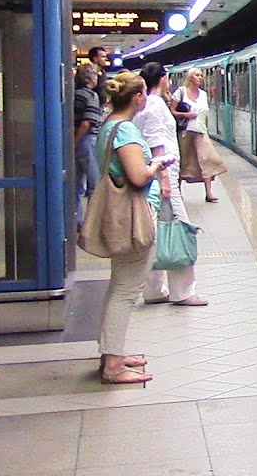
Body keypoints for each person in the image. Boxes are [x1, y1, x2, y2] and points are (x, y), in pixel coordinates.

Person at [95, 71, 174, 384]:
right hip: (134, 217)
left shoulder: (109, 125)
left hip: (124, 216)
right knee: (127, 290)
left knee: (119, 285)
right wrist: (156, 165)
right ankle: (113, 365)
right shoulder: (125, 130)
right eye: (143, 94)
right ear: (137, 96)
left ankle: (110, 353)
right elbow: (139, 176)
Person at [135, 63, 207, 307]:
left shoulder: (145, 104)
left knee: (158, 232)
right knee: (179, 229)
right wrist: (166, 182)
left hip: (154, 176)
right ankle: (184, 291)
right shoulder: (155, 105)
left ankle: (154, 290)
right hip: (163, 175)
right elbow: (158, 144)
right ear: (163, 79)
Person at [173, 67, 227, 201]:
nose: (200, 78)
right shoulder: (180, 92)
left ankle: (209, 193)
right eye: (197, 75)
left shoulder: (203, 94)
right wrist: (186, 114)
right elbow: (172, 111)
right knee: (183, 161)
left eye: (201, 75)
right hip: (185, 132)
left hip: (201, 131)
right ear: (190, 77)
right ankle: (178, 191)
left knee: (206, 160)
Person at [73, 64, 102, 221]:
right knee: (94, 182)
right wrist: (76, 142)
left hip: (77, 139)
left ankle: (76, 219)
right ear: (90, 78)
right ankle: (93, 221)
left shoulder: (76, 94)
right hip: (87, 140)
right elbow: (86, 123)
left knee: (76, 183)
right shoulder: (91, 96)